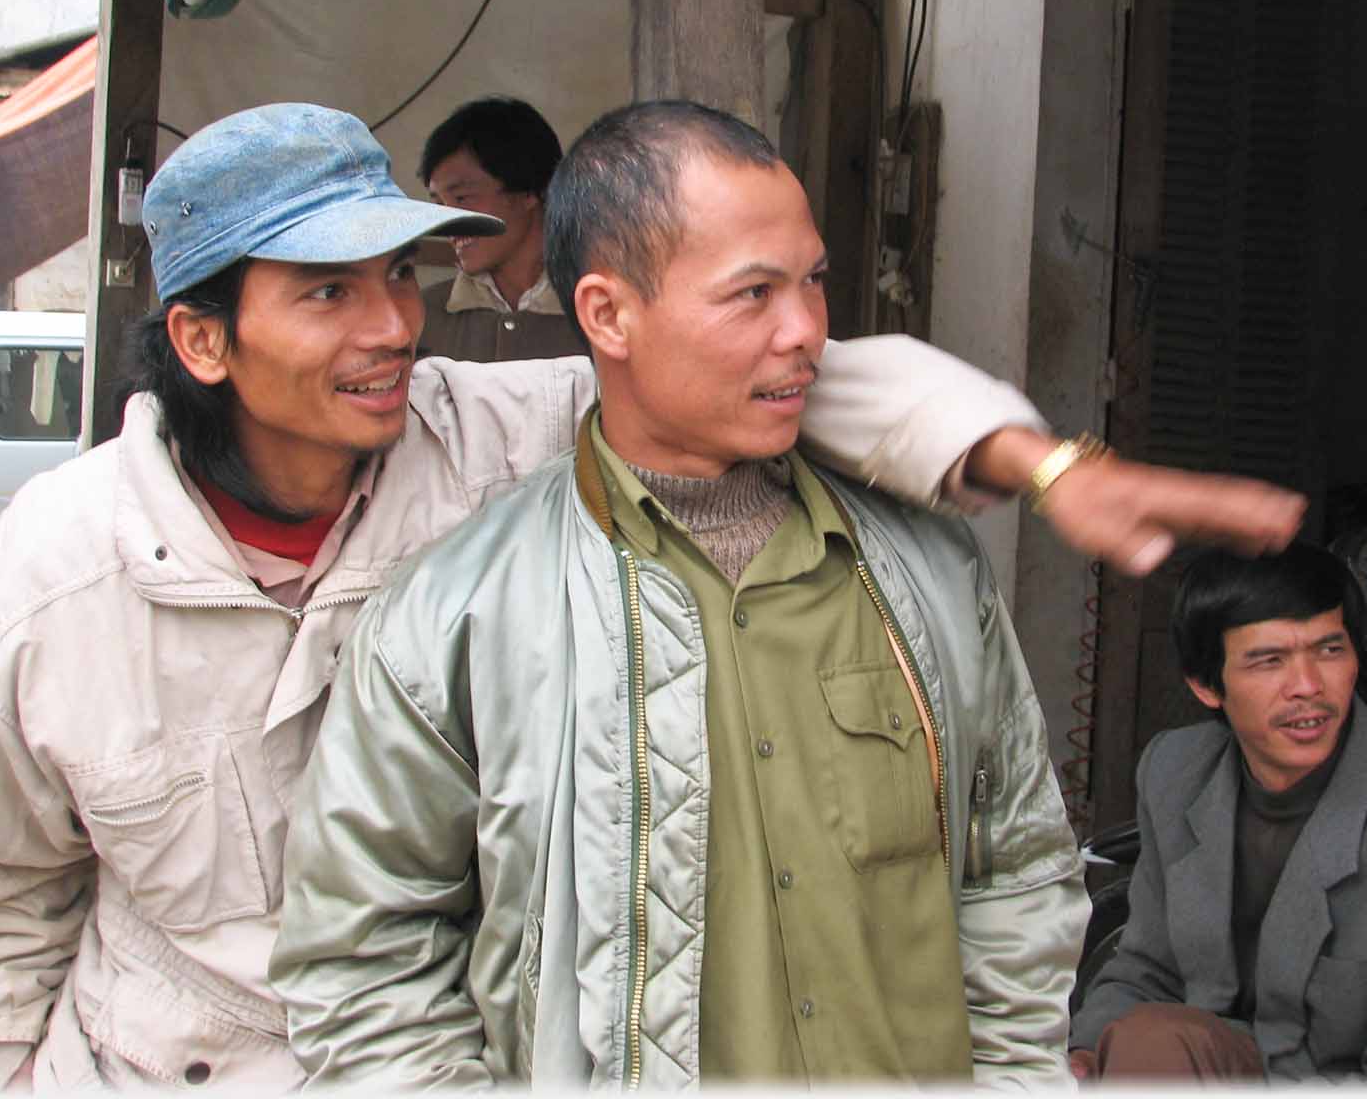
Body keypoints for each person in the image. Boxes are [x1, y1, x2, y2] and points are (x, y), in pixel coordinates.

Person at [0, 101, 1299, 1092]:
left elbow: (785, 374)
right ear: (201, 337)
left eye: (397, 273)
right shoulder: (66, 569)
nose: (391, 325)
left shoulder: (486, 433)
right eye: (324, 294)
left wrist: (1045, 465)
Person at [272, 101, 1089, 1085]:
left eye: (815, 282)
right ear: (608, 315)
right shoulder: (458, 617)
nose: (806, 333)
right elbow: (367, 973)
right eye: (752, 295)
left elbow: (1018, 876)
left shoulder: (931, 576)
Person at [1068, 543, 1367, 1083]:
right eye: (1269, 660)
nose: (1308, 687)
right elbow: (1146, 969)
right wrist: (1086, 1055)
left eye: (1329, 650)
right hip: (1203, 1063)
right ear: (1207, 685)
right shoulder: (1175, 773)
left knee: (1154, 1046)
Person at [417, 95, 584, 360]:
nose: (448, 220)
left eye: (462, 198)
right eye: (439, 203)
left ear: (530, 191)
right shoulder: (420, 318)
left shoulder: (601, 310)